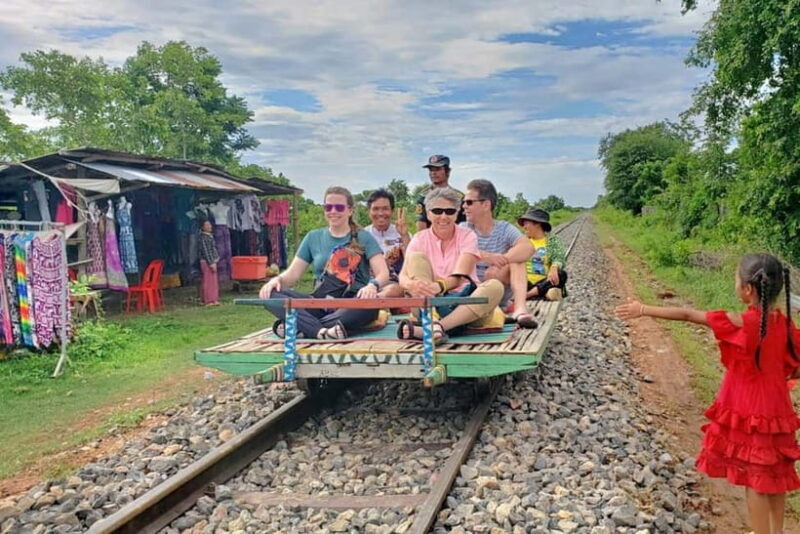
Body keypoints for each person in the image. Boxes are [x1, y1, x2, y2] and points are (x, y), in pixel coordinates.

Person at [615, 253, 800, 534]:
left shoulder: (739, 322)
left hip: (748, 411)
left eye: (736, 280)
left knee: (756, 482)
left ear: (748, 289)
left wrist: (643, 309)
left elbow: (688, 315)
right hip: (778, 410)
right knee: (775, 475)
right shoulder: (786, 327)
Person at [259, 186, 390, 339]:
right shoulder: (313, 237)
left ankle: (300, 326)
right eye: (328, 207)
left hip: (353, 303)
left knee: (368, 307)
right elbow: (293, 275)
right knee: (270, 295)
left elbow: (383, 273)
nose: (333, 211)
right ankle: (320, 332)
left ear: (350, 210)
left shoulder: (364, 237)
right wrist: (277, 280)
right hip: (319, 303)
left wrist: (372, 285)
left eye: (339, 207)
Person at [397, 187, 504, 344]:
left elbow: (460, 277)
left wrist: (438, 286)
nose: (443, 216)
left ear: (456, 214)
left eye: (449, 211)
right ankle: (433, 322)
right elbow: (402, 275)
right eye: (437, 211)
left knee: (495, 286)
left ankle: (435, 327)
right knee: (416, 258)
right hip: (429, 303)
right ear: (428, 214)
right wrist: (411, 285)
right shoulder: (419, 238)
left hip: (464, 305)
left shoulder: (468, 235)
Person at [461, 179, 537, 328]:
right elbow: (458, 250)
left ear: (486, 204)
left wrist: (502, 260)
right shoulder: (463, 228)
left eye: (469, 202)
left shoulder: (503, 228)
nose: (464, 206)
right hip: (472, 291)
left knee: (517, 259)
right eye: (463, 202)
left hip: (497, 288)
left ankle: (520, 309)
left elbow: (528, 247)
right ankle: (492, 312)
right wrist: (488, 257)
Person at [364, 188, 409, 298]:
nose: (380, 213)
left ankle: (374, 302)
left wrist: (404, 235)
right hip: (368, 283)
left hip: (394, 283)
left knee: (394, 289)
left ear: (392, 211)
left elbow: (412, 259)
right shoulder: (363, 235)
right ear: (369, 211)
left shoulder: (401, 232)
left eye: (385, 209)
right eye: (376, 209)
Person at [518, 208, 568, 301]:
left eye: (526, 223)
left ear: (537, 223)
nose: (524, 226)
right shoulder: (523, 241)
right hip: (525, 283)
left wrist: (554, 267)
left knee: (562, 274)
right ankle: (542, 293)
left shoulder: (552, 241)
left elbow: (559, 257)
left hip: (545, 281)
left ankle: (528, 295)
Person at [416, 154, 466, 231]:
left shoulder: (459, 197)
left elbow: (464, 225)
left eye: (437, 169)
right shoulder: (423, 197)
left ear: (448, 171)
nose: (433, 173)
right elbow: (421, 225)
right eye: (431, 170)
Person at [198, 220, 220, 306]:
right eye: (206, 225)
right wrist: (211, 262)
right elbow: (206, 251)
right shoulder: (203, 237)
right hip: (207, 262)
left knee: (213, 281)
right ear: (203, 227)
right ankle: (208, 300)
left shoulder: (210, 236)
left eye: (209, 224)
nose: (209, 226)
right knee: (208, 281)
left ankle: (214, 298)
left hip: (213, 260)